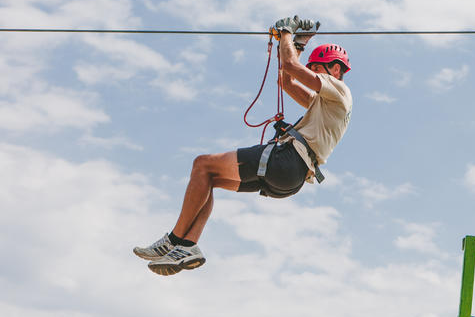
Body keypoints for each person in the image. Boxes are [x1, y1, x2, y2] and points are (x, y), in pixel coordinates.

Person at [133, 16, 353, 275]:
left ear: (335, 70)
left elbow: (293, 67)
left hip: (288, 160)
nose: (313, 72)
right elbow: (287, 82)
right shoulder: (325, 104)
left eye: (318, 68)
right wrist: (299, 43)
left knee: (202, 164)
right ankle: (188, 245)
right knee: (209, 177)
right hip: (290, 178)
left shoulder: (339, 91)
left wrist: (286, 34)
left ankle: (173, 241)